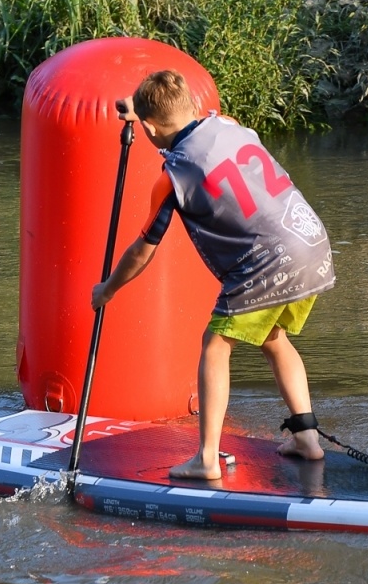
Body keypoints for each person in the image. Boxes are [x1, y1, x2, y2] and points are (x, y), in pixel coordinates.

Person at [90, 69, 334, 480]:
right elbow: (188, 121)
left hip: (268, 260)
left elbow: (142, 251)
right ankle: (307, 439)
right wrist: (139, 110)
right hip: (310, 242)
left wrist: (107, 290)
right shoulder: (227, 124)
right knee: (273, 337)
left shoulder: (174, 176)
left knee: (215, 345)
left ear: (150, 128)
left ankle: (205, 459)